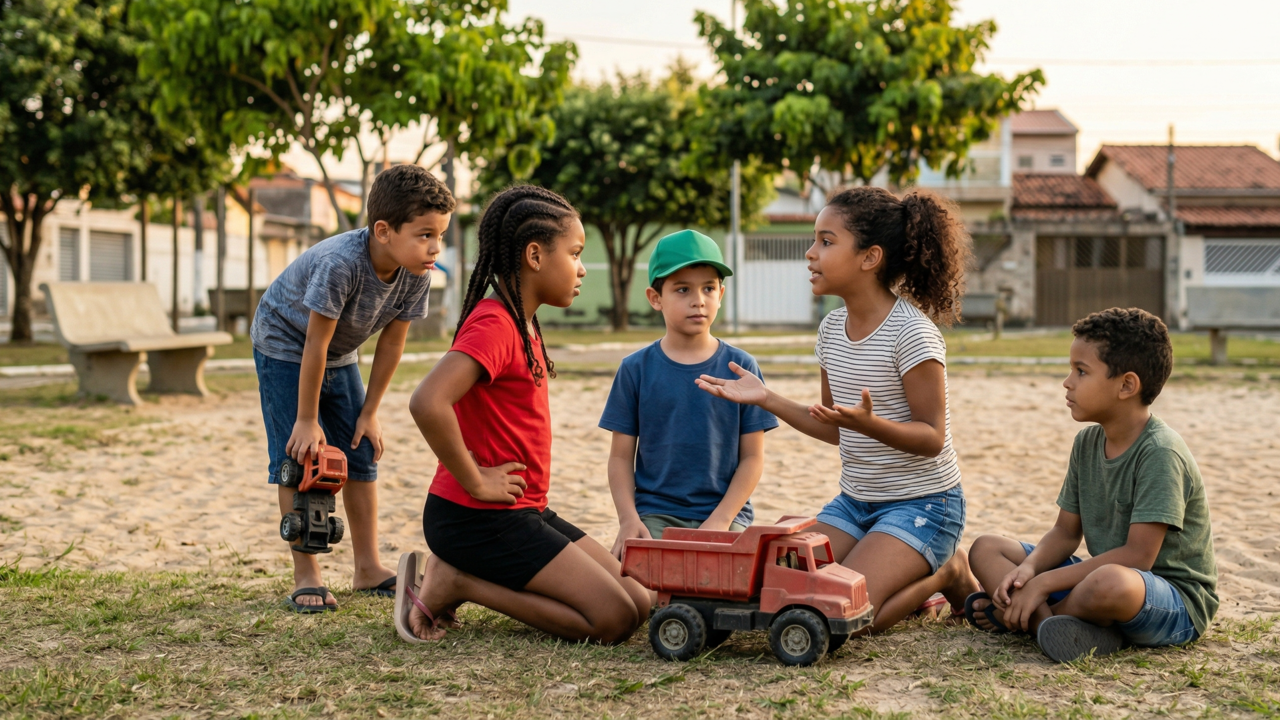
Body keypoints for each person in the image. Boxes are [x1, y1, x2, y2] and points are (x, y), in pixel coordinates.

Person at [696, 186, 981, 634]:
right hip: (854, 503)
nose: (811, 254)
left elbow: (931, 437)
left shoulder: (912, 335)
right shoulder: (831, 330)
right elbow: (834, 427)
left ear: (870, 258)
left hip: (925, 504)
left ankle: (947, 572)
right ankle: (908, 565)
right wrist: (765, 397)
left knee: (844, 618)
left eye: (826, 242)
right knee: (784, 594)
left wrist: (872, 425)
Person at [395, 185, 650, 644]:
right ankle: (457, 580)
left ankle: (462, 575)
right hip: (473, 517)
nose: (581, 267)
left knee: (640, 598)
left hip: (521, 510)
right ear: (535, 255)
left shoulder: (522, 320)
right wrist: (475, 479)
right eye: (574, 253)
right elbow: (427, 401)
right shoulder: (495, 323)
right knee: (613, 619)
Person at [251, 164, 453, 612]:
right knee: (298, 457)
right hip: (286, 342)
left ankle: (367, 568)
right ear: (384, 230)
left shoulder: (417, 273)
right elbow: (314, 343)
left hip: (340, 354)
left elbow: (392, 344)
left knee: (360, 451)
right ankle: (307, 574)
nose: (435, 247)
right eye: (424, 235)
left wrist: (370, 411)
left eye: (439, 235)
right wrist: (307, 420)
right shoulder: (340, 264)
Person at [965, 308, 1218, 662]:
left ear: (1127, 385)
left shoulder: (1161, 452)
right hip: (1099, 579)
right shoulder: (1087, 443)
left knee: (1109, 582)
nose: (1067, 382)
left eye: (1081, 371)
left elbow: (1138, 557)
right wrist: (1030, 570)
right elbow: (1065, 532)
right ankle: (1049, 621)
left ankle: (1029, 617)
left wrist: (1043, 585)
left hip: (1169, 602)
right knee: (986, 548)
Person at [600, 230, 778, 557]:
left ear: (721, 294)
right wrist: (628, 520)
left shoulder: (741, 366)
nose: (698, 300)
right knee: (635, 597)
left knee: (728, 591)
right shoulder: (634, 369)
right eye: (683, 289)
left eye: (708, 288)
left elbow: (753, 457)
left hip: (726, 515)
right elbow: (621, 457)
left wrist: (720, 521)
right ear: (656, 298)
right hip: (654, 514)